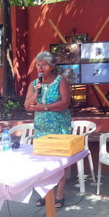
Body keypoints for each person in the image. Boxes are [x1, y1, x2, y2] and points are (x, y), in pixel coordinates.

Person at [24, 51, 71, 208]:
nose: (40, 67)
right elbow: (27, 106)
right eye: (38, 64)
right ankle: (45, 193)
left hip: (59, 128)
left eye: (43, 64)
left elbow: (65, 102)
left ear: (51, 67)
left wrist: (44, 107)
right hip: (41, 130)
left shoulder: (60, 81)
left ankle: (60, 193)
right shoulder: (33, 84)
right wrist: (36, 92)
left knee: (59, 162)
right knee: (43, 163)